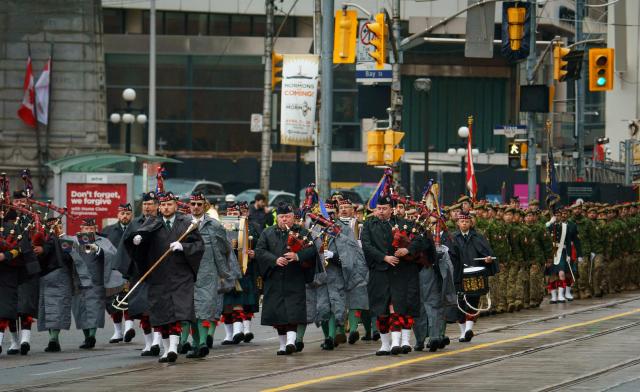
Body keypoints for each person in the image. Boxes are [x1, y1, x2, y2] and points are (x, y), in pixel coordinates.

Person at [126, 192, 204, 363]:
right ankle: (166, 349)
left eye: (169, 204)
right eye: (163, 205)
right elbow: (140, 248)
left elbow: (199, 245)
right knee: (161, 315)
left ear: (176, 205)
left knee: (177, 312)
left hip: (180, 276)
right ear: (159, 207)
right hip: (158, 276)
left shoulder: (186, 223)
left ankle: (174, 349)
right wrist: (137, 241)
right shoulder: (152, 223)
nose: (166, 208)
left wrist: (183, 246)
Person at [361, 195, 434, 356]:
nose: (380, 212)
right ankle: (385, 344)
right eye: (378, 209)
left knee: (398, 307)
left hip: (400, 273)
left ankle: (398, 343)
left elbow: (421, 240)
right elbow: (366, 245)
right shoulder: (368, 225)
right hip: (379, 272)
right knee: (381, 309)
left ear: (391, 209)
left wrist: (408, 250)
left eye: (384, 208)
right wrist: (384, 257)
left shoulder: (403, 224)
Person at [255, 202, 318, 355]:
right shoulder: (267, 233)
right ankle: (283, 345)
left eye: (288, 217)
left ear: (293, 217)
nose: (285, 220)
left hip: (294, 277)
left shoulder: (302, 231)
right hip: (274, 277)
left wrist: (297, 256)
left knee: (293, 311)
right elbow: (260, 250)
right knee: (278, 314)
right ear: (277, 218)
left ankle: (291, 342)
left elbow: (312, 250)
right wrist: (274, 260)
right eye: (282, 217)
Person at [183, 191, 233, 358]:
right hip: (186, 274)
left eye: (199, 204)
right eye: (193, 204)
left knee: (204, 309)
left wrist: (224, 271)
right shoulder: (183, 223)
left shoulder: (214, 225)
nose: (196, 207)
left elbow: (226, 248)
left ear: (204, 206)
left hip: (207, 273)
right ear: (189, 205)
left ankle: (203, 342)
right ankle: (195, 344)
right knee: (190, 311)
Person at [447, 211, 496, 342]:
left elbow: (487, 252)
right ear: (457, 223)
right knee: (459, 303)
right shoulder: (452, 237)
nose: (464, 224)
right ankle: (463, 332)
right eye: (462, 221)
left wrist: (488, 259)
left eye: (467, 221)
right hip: (458, 275)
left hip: (475, 275)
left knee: (473, 301)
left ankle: (469, 329)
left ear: (471, 223)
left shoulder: (478, 237)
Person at [72, 218, 117, 349]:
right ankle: (86, 337)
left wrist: (99, 250)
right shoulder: (74, 240)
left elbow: (113, 255)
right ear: (81, 229)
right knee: (80, 310)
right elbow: (65, 256)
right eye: (86, 229)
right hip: (78, 281)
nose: (89, 231)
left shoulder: (103, 241)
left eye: (92, 229)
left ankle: (92, 335)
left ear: (96, 228)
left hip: (96, 281)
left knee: (94, 309)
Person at [102, 203, 134, 344]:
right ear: (118, 215)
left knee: (129, 300)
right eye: (122, 213)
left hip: (131, 269)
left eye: (127, 213)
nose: (125, 216)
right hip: (113, 271)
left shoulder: (137, 228)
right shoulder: (108, 231)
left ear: (131, 215)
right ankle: (118, 331)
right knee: (114, 302)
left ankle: (128, 329)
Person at [545, 202, 582, 304]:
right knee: (552, 275)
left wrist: (569, 255)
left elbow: (569, 243)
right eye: (556, 215)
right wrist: (548, 223)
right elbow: (543, 231)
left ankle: (561, 295)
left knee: (562, 273)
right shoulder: (550, 226)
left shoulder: (566, 227)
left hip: (562, 252)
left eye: (559, 215)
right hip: (552, 252)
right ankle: (553, 296)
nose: (557, 217)